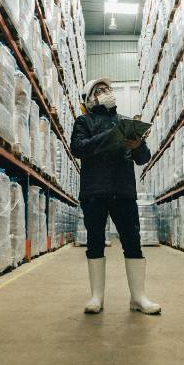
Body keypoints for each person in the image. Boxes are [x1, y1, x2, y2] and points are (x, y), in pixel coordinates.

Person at [70, 78, 161, 315]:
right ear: (89, 99)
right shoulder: (83, 121)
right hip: (94, 191)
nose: (105, 92)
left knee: (132, 241)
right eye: (99, 90)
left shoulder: (125, 122)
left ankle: (138, 297)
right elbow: (78, 148)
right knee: (95, 241)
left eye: (107, 89)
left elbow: (143, 159)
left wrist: (137, 145)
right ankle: (96, 297)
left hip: (123, 191)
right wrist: (111, 136)